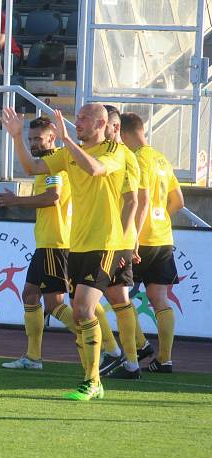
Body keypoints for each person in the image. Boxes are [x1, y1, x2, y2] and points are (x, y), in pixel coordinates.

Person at [2, 104, 131, 401]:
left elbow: (95, 169)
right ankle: (94, 373)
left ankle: (94, 378)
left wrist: (67, 140)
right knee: (76, 309)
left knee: (83, 309)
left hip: (105, 242)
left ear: (101, 123)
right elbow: (32, 168)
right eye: (78, 118)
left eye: (84, 118)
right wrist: (16, 137)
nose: (78, 122)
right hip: (77, 244)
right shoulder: (68, 154)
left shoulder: (114, 151)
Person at [0, 116, 77, 370]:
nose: (33, 143)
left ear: (52, 138)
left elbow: (53, 198)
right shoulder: (46, 165)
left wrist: (16, 201)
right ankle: (33, 357)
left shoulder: (56, 165)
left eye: (38, 139)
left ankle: (101, 344)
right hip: (46, 241)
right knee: (30, 295)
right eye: (30, 139)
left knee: (54, 304)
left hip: (56, 242)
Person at [120, 112, 185, 373]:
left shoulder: (138, 158)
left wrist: (134, 236)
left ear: (124, 134)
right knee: (160, 298)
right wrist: (161, 220)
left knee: (117, 291)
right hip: (163, 238)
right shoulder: (161, 158)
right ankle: (165, 359)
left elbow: (142, 200)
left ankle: (140, 343)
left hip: (141, 239)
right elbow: (178, 201)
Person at [98, 105, 148, 380]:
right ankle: (128, 361)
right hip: (110, 239)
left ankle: (117, 353)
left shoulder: (125, 157)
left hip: (114, 241)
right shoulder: (109, 154)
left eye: (102, 123)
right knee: (117, 298)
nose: (98, 128)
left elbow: (135, 201)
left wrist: (125, 242)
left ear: (114, 127)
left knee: (84, 295)